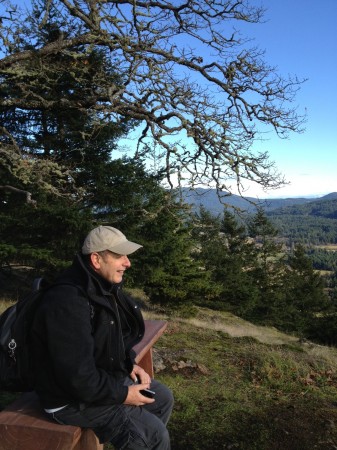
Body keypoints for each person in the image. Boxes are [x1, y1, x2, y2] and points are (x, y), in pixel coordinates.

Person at [32, 225, 174, 449]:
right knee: (153, 436)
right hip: (69, 399)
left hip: (94, 381)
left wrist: (128, 363)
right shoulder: (68, 301)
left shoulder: (100, 287)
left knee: (162, 396)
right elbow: (77, 377)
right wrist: (124, 394)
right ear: (96, 260)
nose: (128, 263)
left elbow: (104, 340)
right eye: (119, 256)